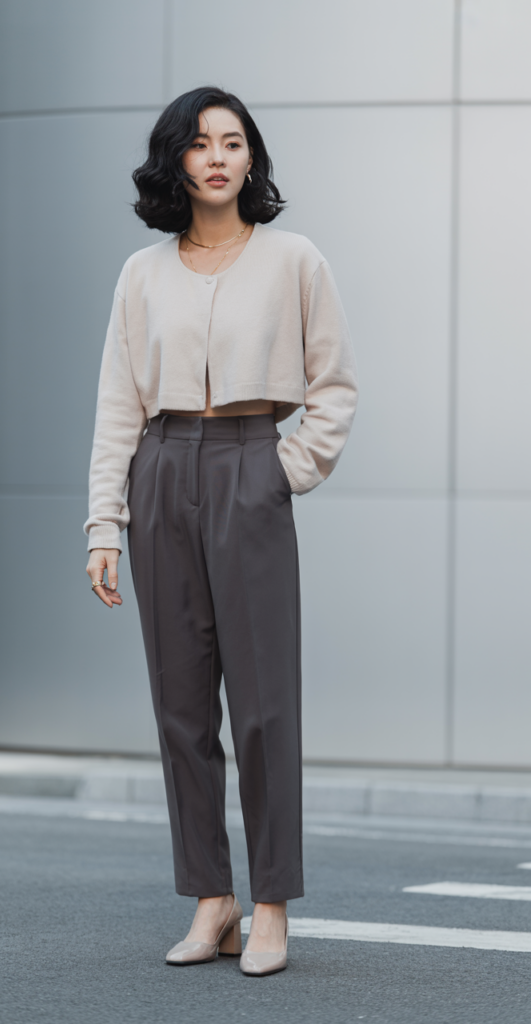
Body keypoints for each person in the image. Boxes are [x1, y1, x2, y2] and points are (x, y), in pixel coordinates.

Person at [84, 86, 358, 976]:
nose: (215, 156)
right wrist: (105, 523)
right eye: (198, 143)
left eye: (232, 142)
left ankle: (272, 903)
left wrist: (283, 470)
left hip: (249, 465)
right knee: (180, 707)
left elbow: (335, 386)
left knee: (265, 707)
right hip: (160, 470)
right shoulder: (142, 273)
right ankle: (214, 900)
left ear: (251, 160)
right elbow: (117, 405)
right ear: (176, 160)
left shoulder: (294, 260)